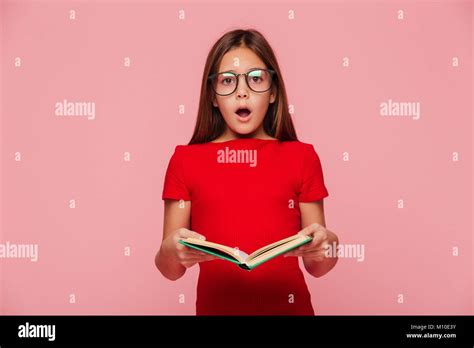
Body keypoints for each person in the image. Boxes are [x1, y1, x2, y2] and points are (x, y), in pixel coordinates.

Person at [155, 28, 339, 315]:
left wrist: (328, 244)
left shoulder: (302, 157)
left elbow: (318, 266)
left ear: (274, 91)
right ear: (213, 96)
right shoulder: (185, 160)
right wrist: (171, 250)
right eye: (228, 81)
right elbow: (170, 269)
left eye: (255, 79)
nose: (242, 91)